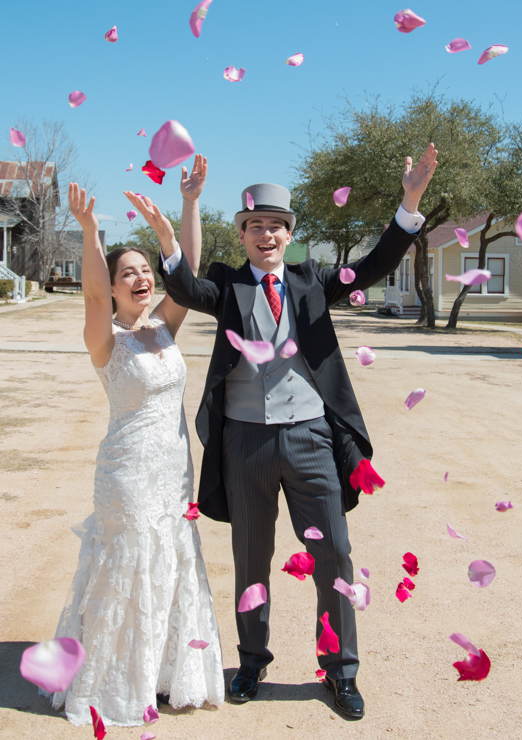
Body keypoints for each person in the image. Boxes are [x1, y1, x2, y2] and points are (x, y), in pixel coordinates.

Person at [128, 142, 438, 720]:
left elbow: (373, 266)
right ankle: (251, 661)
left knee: (335, 556)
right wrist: (177, 227)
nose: (265, 236)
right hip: (244, 441)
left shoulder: (314, 281)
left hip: (310, 439)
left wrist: (410, 200)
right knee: (251, 557)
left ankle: (340, 671)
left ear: (288, 234)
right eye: (254, 227)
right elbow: (186, 289)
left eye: (275, 227)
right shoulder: (227, 286)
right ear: (241, 234)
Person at [50, 156, 224, 727]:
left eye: (144, 269)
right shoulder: (107, 340)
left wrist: (188, 206)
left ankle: (163, 676)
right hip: (126, 476)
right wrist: (93, 233)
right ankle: (113, 681)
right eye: (128, 272)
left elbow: (188, 275)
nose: (140, 278)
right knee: (130, 564)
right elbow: (95, 299)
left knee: (172, 561)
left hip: (175, 473)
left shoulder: (163, 327)